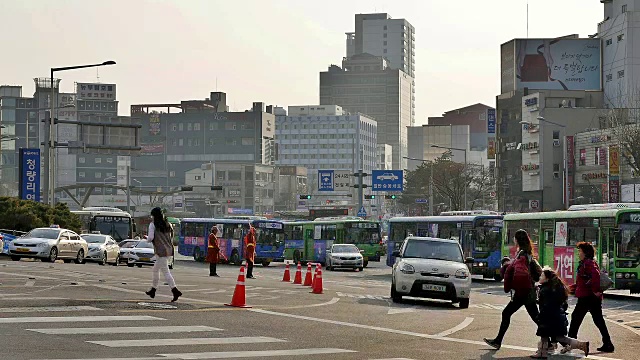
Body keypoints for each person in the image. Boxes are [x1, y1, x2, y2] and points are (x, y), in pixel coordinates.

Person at [484, 229, 542, 350]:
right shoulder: (526, 252)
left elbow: (520, 273)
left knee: (510, 314)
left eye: (514, 238)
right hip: (527, 290)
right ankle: (554, 339)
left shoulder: (522, 253)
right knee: (535, 317)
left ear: (517, 239)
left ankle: (556, 339)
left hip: (523, 291)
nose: (513, 240)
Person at [563, 242, 614, 353]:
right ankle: (608, 343)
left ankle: (570, 344)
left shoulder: (588, 263)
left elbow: (595, 277)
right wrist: (570, 288)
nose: (578, 253)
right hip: (590, 297)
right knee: (598, 320)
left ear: (585, 252)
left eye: (580, 251)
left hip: (587, 297)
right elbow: (583, 282)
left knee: (576, 318)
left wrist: (595, 290)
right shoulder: (586, 263)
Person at [531, 267, 589, 359]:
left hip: (549, 317)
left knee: (544, 335)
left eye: (542, 276)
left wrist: (540, 315)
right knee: (559, 337)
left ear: (547, 279)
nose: (540, 277)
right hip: (558, 317)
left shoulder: (545, 290)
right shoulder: (557, 288)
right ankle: (581, 345)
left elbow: (546, 305)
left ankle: (542, 353)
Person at [144, 207, 182, 302]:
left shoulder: (153, 225)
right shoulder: (168, 224)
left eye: (152, 215)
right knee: (155, 270)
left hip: (160, 251)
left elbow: (150, 238)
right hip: (168, 249)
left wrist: (146, 238)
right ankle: (153, 290)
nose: (151, 217)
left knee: (165, 271)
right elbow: (171, 236)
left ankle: (175, 290)